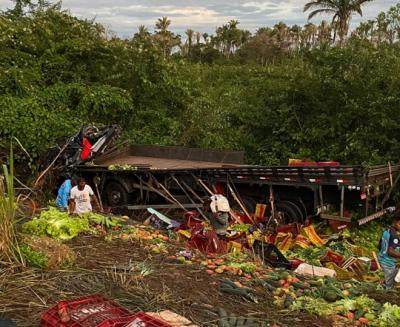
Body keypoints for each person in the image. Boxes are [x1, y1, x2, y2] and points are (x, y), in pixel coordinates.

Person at [378, 217, 400, 289]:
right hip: (388, 263)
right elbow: (390, 252)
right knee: (389, 288)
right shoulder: (394, 236)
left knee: (390, 280)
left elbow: (379, 245)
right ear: (394, 222)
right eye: (399, 224)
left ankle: (384, 284)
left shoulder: (387, 231)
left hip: (382, 259)